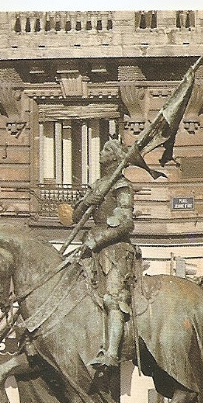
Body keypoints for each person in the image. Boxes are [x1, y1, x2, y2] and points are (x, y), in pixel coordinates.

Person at [66, 139, 137, 370]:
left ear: (116, 158)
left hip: (114, 250)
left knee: (113, 299)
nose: (101, 152)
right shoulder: (97, 185)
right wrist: (87, 201)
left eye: (107, 149)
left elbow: (126, 224)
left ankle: (111, 354)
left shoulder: (122, 186)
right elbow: (75, 217)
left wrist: (98, 240)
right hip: (89, 247)